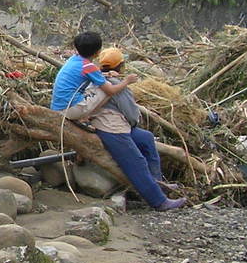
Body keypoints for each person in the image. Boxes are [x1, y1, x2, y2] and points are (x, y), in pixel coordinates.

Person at [51, 32, 186, 211]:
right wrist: (127, 84)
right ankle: (159, 201)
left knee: (146, 138)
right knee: (136, 161)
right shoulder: (113, 83)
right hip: (110, 127)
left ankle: (157, 184)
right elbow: (130, 113)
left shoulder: (86, 69)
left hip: (86, 114)